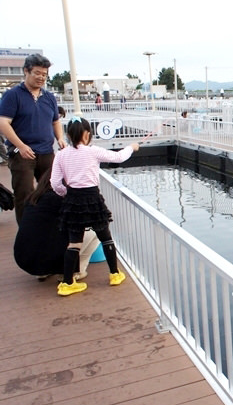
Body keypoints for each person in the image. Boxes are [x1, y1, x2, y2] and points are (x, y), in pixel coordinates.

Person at [50, 116, 139, 296]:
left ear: (68, 134)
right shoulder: (92, 151)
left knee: (74, 242)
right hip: (92, 198)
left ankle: (68, 283)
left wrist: (67, 194)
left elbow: (55, 183)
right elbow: (119, 157)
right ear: (86, 135)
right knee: (105, 237)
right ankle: (114, 274)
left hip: (73, 200)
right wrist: (132, 147)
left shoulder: (61, 154)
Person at [0, 53, 66, 223]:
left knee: (53, 190)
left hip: (46, 152)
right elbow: (3, 123)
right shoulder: (13, 95)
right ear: (26, 71)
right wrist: (21, 146)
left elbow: (55, 121)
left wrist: (60, 138)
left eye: (44, 74)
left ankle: (51, 227)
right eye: (37, 73)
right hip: (22, 153)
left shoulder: (49, 97)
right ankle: (26, 232)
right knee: (24, 194)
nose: (41, 77)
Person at [14, 167, 99, 281]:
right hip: (51, 258)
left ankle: (44, 273)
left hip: (25, 259)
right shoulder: (64, 199)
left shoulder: (33, 198)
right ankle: (73, 272)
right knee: (95, 230)